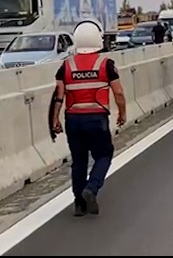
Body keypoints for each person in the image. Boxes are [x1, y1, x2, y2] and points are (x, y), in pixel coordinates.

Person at [51, 19, 127, 216]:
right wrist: (122, 112)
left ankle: (79, 204)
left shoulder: (65, 66)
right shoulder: (106, 64)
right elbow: (118, 93)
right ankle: (91, 189)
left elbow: (58, 96)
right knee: (103, 155)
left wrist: (54, 119)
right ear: (98, 39)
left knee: (79, 161)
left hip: (73, 120)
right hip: (96, 118)